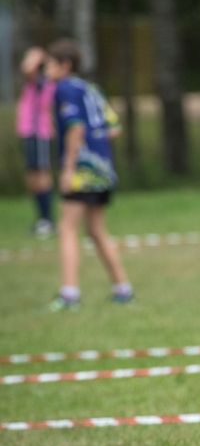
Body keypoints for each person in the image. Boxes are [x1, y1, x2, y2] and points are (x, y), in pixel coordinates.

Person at [46, 39, 133, 311]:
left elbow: (75, 129)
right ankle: (123, 288)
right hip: (104, 168)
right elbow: (114, 127)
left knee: (67, 228)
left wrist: (69, 167)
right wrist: (99, 145)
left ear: (65, 65)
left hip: (83, 170)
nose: (46, 70)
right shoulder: (90, 89)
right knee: (95, 230)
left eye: (50, 63)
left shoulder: (64, 89)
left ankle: (69, 294)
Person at [17, 47, 56, 238]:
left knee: (42, 174)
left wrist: (38, 55)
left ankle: (48, 220)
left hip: (39, 133)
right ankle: (42, 219)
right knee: (32, 177)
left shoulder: (43, 81)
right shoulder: (33, 83)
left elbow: (27, 69)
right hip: (28, 133)